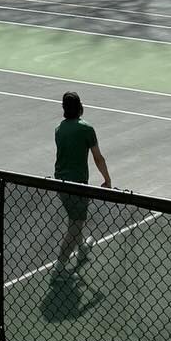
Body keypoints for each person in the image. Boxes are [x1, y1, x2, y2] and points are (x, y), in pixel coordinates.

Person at [52, 91, 111, 278]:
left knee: (74, 218)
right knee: (76, 224)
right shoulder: (86, 129)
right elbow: (98, 158)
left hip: (60, 182)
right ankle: (59, 268)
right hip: (77, 184)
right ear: (80, 107)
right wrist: (107, 179)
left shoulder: (59, 129)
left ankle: (82, 247)